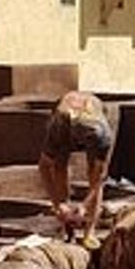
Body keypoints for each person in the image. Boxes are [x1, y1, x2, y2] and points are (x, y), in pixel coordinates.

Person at [39, 90, 113, 246]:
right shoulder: (59, 126)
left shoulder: (103, 137)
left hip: (92, 126)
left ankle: (89, 231)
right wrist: (57, 204)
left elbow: (100, 178)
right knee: (60, 165)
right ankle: (65, 225)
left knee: (93, 171)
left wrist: (84, 206)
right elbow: (44, 167)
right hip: (66, 125)